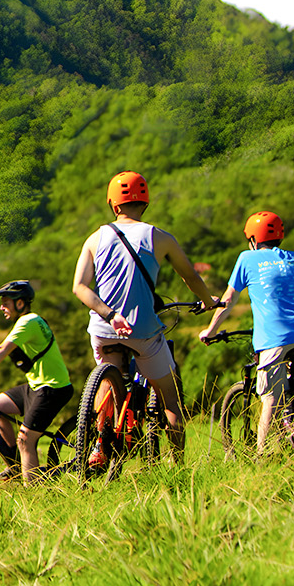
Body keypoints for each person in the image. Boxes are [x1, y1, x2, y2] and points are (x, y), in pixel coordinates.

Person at [71, 171, 218, 464]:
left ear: (114, 205)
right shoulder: (160, 237)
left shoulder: (95, 237)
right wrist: (208, 301)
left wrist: (111, 315)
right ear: (145, 203)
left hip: (104, 327)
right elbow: (190, 276)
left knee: (109, 380)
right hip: (143, 331)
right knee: (170, 398)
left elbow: (79, 287)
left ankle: (100, 441)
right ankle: (176, 466)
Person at [200, 210, 294, 452]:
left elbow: (229, 300)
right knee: (293, 383)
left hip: (273, 339)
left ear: (253, 239)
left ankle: (262, 457)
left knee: (270, 399)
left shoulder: (247, 258)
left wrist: (210, 331)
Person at [0, 280, 72, 484]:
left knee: (25, 440)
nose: (1, 307)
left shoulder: (29, 321)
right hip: (36, 385)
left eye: (6, 302)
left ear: (20, 303)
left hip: (52, 388)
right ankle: (16, 465)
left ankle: (34, 494)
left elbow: (2, 350)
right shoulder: (26, 322)